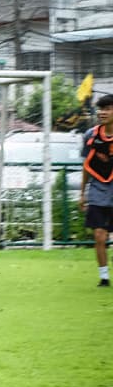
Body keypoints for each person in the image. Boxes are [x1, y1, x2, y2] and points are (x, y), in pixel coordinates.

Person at [79, 93, 113, 287]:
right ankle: (104, 277)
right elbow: (86, 165)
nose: (102, 112)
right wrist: (82, 193)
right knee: (99, 236)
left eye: (107, 108)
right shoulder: (90, 135)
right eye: (101, 109)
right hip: (98, 189)